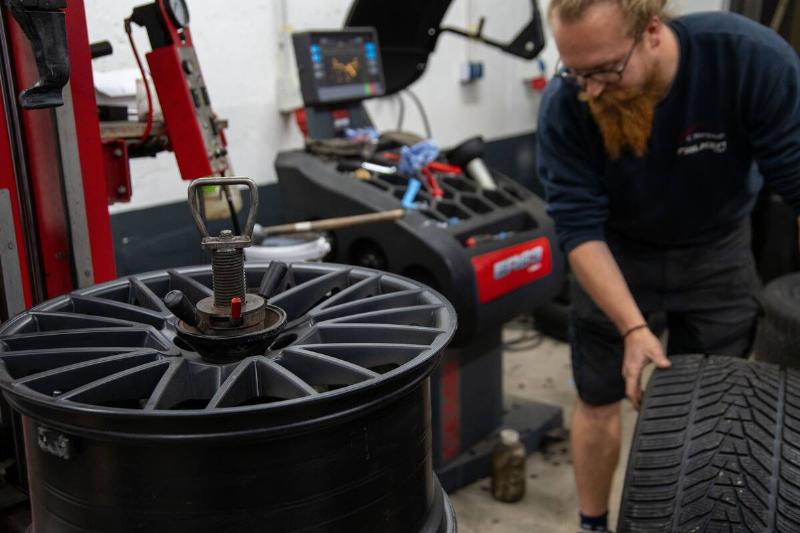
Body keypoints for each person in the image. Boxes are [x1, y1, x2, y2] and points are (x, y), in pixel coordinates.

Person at [536, 1, 800, 531]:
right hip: (615, 253)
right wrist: (632, 327)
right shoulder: (569, 101)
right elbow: (578, 228)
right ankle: (592, 524)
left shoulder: (748, 60)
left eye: (606, 69)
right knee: (597, 398)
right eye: (575, 71)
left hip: (718, 251)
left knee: (714, 401)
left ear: (653, 32)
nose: (590, 88)